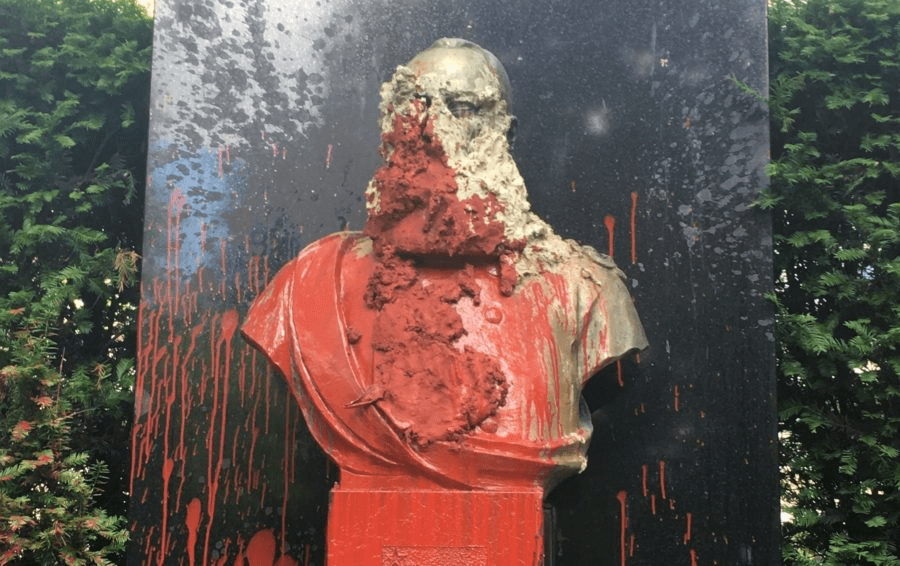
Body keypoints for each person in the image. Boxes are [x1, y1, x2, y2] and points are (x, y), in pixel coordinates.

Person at [242, 38, 647, 493]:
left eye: (462, 108)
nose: (431, 131)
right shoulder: (312, 285)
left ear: (505, 133)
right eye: (414, 108)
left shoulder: (584, 289)